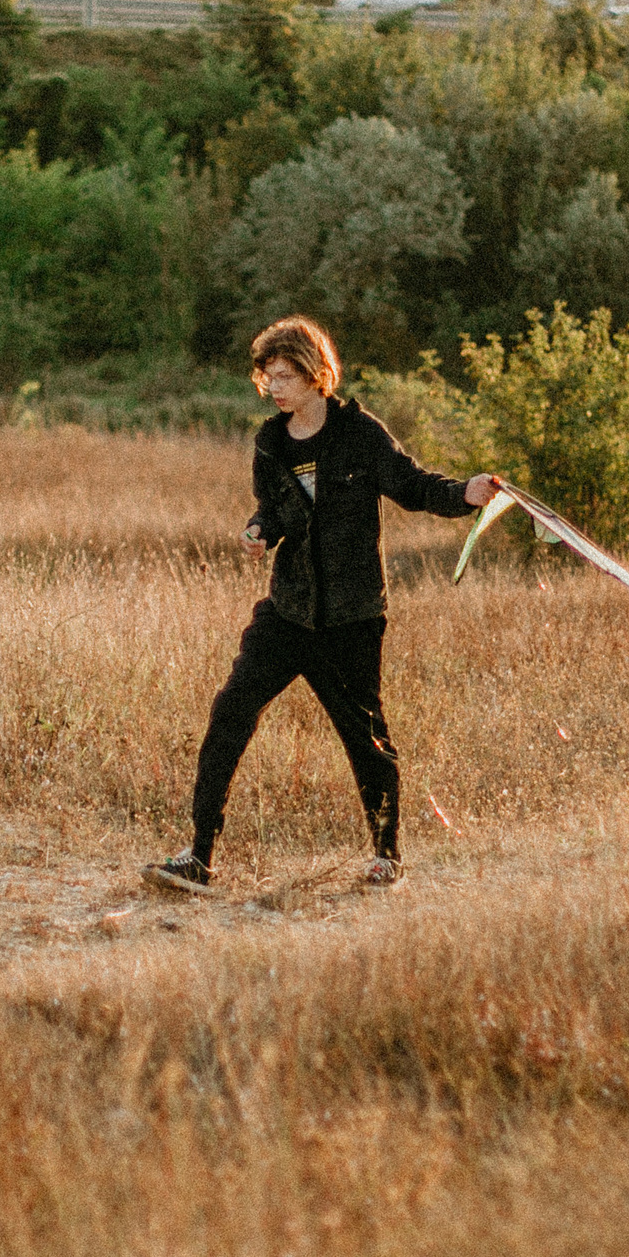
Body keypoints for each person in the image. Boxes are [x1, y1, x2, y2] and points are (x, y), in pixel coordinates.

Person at [144, 315, 497, 895]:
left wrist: (464, 492)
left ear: (316, 375)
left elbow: (413, 486)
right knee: (230, 712)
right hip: (288, 611)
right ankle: (200, 857)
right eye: (268, 376)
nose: (275, 386)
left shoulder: (360, 433)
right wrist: (260, 530)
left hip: (352, 616)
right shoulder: (270, 441)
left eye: (286, 375)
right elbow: (275, 510)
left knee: (366, 738)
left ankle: (387, 857)